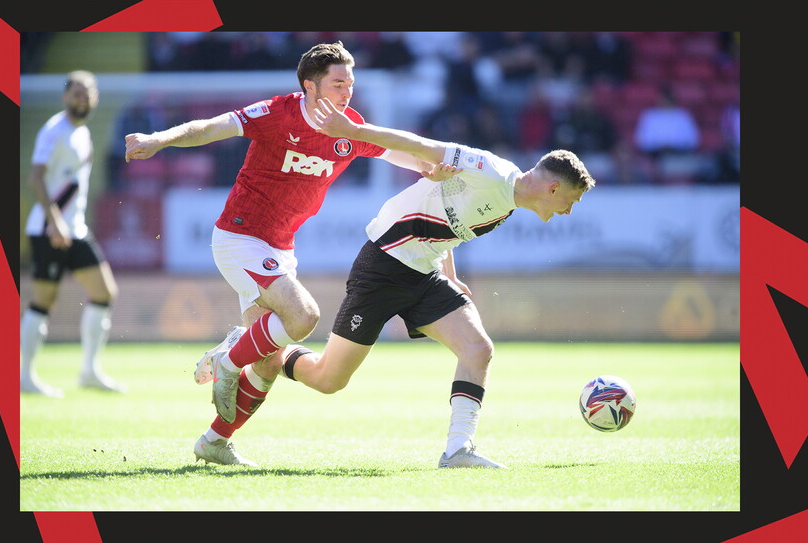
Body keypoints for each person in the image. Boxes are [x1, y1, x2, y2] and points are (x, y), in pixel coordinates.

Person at [205, 97, 597, 469]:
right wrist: (352, 129)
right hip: (383, 267)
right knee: (328, 379)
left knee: (478, 349)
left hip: (423, 276)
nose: (568, 210)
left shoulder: (508, 201)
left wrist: (451, 278)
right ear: (553, 188)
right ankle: (251, 346)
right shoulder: (491, 170)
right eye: (572, 200)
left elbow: (446, 225)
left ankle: (458, 449)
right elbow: (418, 144)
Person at [124, 42, 439, 466]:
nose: (348, 91)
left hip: (279, 248)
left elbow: (388, 149)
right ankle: (228, 358)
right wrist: (158, 139)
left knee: (270, 361)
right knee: (303, 317)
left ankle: (214, 441)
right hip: (240, 237)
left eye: (351, 83)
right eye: (338, 83)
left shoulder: (351, 128)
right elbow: (211, 127)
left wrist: (424, 164)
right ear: (311, 86)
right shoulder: (278, 113)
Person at [21, 70, 126, 398]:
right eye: (77, 93)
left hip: (75, 230)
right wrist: (54, 221)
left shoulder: (81, 133)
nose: (82, 98)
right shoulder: (55, 130)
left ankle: (89, 371)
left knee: (104, 291)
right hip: (48, 229)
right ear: (65, 96)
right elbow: (36, 178)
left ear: (94, 99)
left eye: (88, 93)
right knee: (43, 301)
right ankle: (23, 375)